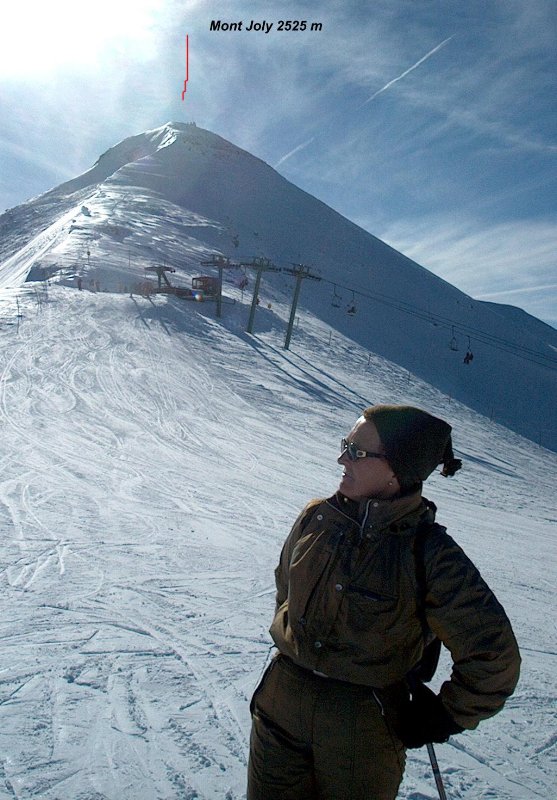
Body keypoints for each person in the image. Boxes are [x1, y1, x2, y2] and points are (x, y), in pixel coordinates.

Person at [247, 404, 520, 800]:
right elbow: (284, 588)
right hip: (280, 712)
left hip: (361, 734)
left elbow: (495, 656)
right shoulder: (316, 519)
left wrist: (444, 715)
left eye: (357, 452)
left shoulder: (429, 554)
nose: (342, 458)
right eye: (346, 445)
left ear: (396, 471)